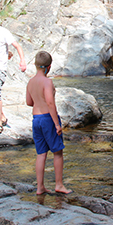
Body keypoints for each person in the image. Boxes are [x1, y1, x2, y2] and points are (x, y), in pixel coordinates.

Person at [26, 51, 72, 195]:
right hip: (48, 119)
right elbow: (50, 103)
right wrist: (57, 125)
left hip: (36, 119)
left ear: (35, 65)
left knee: (41, 154)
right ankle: (59, 184)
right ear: (49, 67)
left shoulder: (31, 81)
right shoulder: (47, 82)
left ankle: (40, 187)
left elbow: (29, 102)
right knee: (58, 152)